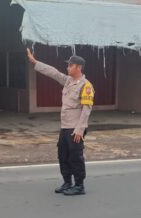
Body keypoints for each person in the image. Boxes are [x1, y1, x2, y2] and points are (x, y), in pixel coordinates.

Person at [27, 48, 94, 196]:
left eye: (70, 65)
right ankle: (67, 182)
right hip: (65, 127)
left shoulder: (86, 86)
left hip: (75, 129)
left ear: (78, 68)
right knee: (62, 155)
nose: (67, 67)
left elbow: (86, 110)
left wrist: (79, 130)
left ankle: (79, 185)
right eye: (68, 65)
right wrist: (35, 62)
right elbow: (53, 72)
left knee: (75, 157)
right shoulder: (68, 81)